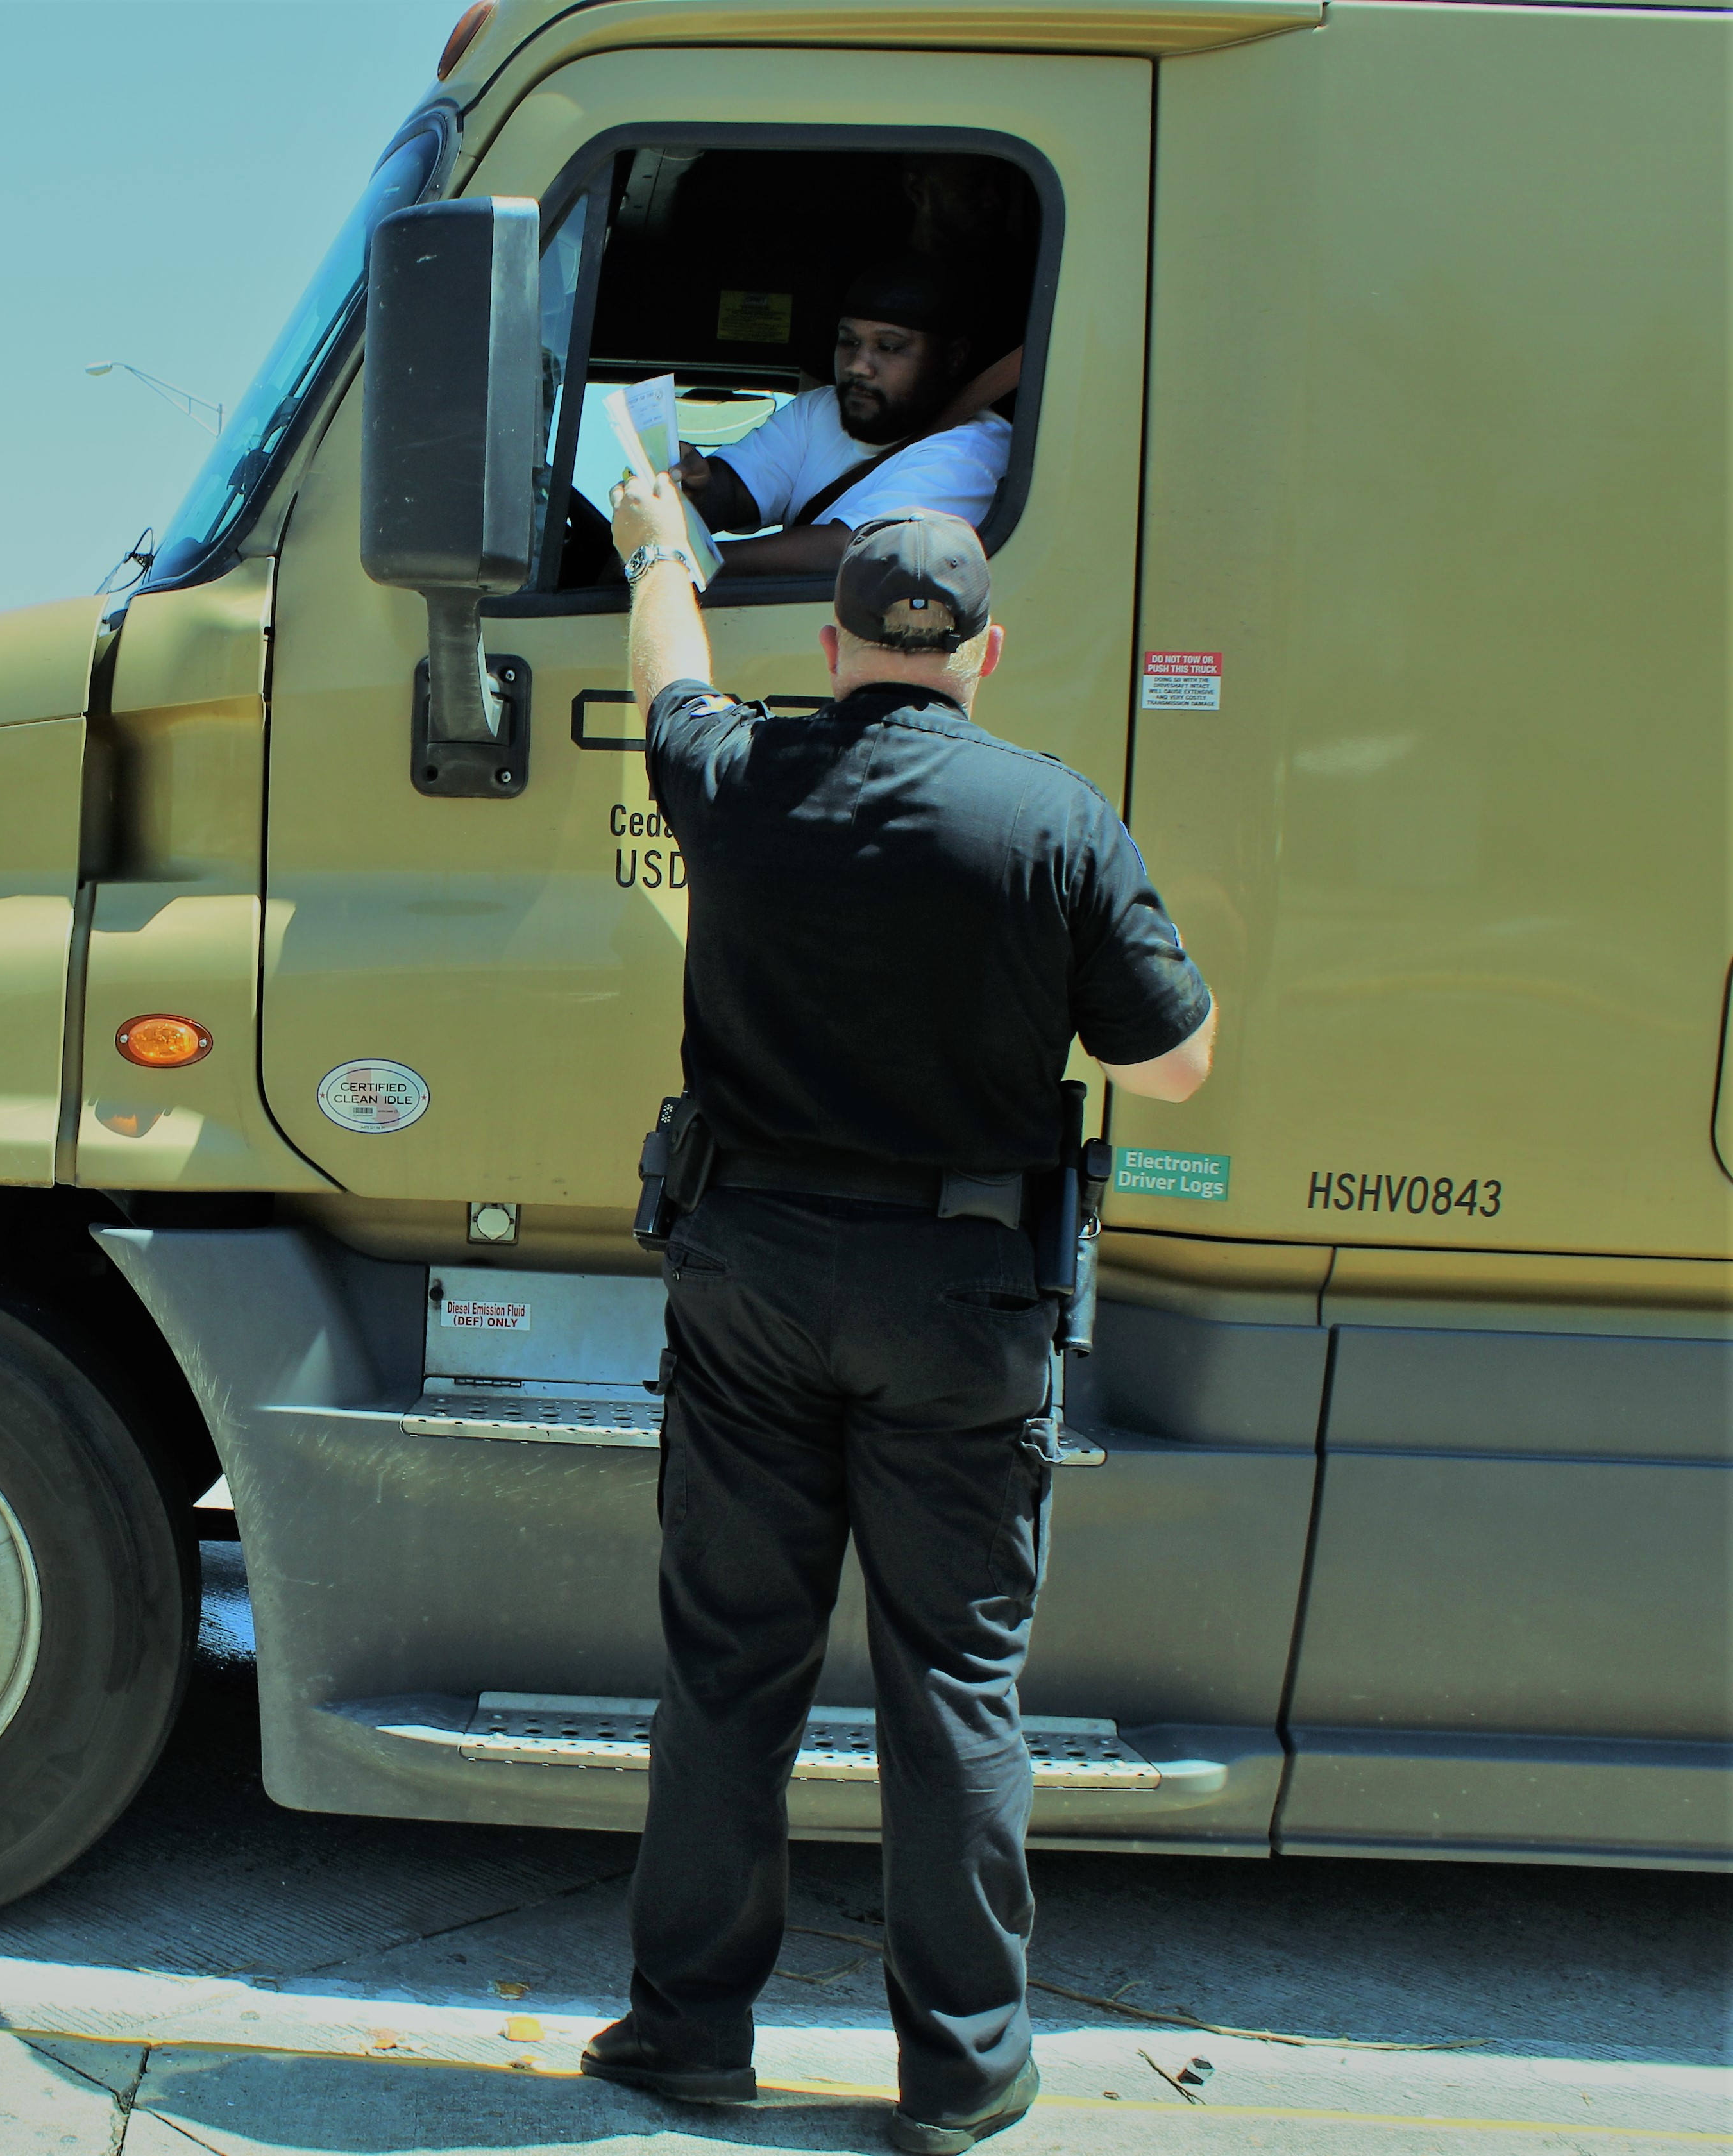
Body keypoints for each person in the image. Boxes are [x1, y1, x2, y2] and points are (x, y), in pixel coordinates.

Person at [581, 482, 1217, 2153]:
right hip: (960, 1296)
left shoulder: (738, 775)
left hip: (751, 1280)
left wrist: (659, 544)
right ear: (984, 655)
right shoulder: (1051, 820)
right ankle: (963, 2073)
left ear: (834, 646)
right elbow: (1171, 1063)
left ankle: (687, 2033)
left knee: (729, 1671)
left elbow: (667, 676)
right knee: (953, 1688)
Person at [677, 257, 1013, 577]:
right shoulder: (820, 410)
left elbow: (851, 550)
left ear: (952, 358)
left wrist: (680, 563)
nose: (858, 366)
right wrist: (693, 489)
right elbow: (737, 491)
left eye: (889, 347)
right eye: (849, 341)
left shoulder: (973, 452)